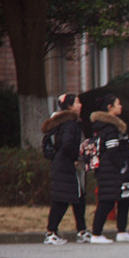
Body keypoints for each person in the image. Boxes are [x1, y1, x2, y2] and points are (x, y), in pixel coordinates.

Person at [89, 94, 129, 243]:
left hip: (110, 170)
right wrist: (122, 165)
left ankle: (122, 231)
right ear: (110, 107)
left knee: (125, 198)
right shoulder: (109, 127)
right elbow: (112, 149)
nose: (121, 107)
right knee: (106, 201)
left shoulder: (107, 126)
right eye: (118, 104)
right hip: (111, 170)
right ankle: (96, 234)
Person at [42, 94, 90, 245]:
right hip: (65, 165)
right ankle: (51, 232)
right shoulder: (70, 123)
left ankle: (81, 230)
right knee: (62, 200)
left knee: (78, 197)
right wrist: (75, 157)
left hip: (61, 163)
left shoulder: (61, 122)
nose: (80, 105)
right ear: (69, 106)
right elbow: (68, 144)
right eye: (77, 102)